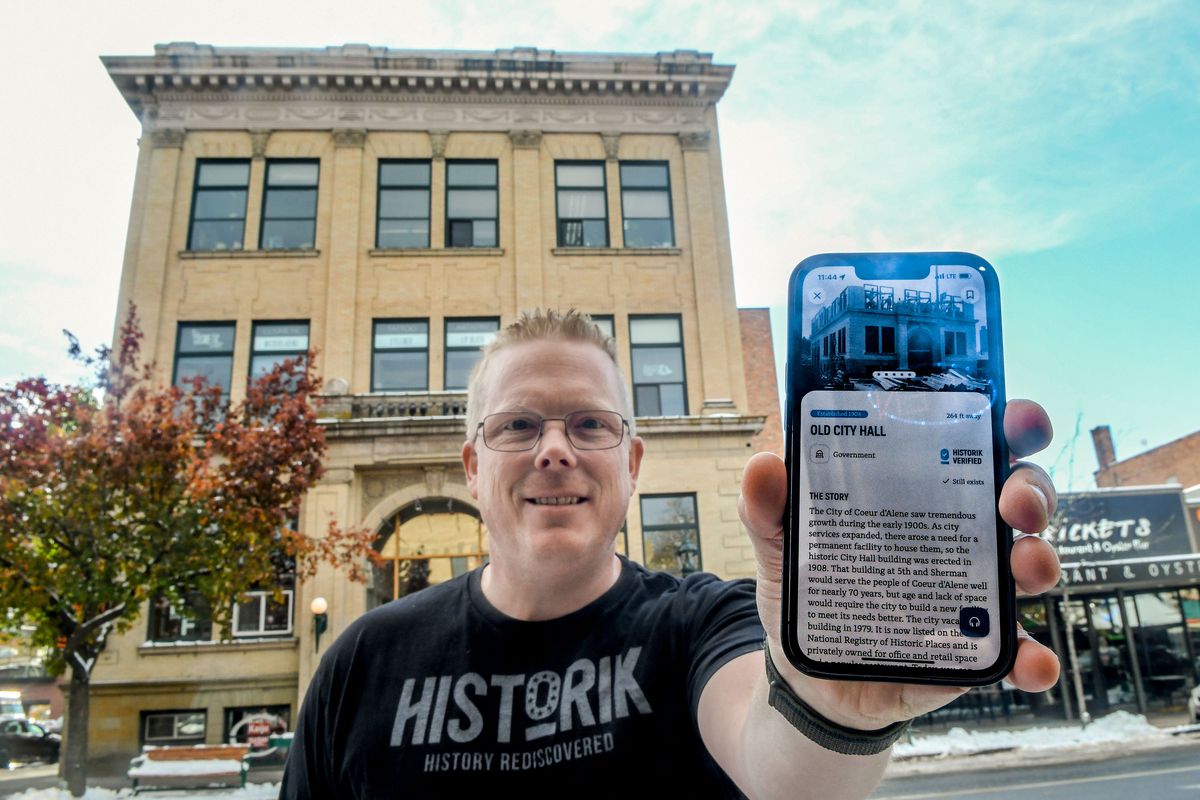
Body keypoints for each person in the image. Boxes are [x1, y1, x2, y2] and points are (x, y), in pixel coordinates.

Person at [281, 309, 1060, 798]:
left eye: (590, 425)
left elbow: (777, 769)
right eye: (518, 426)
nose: (555, 449)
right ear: (474, 466)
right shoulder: (361, 663)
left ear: (634, 463)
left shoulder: (699, 624)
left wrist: (836, 709)